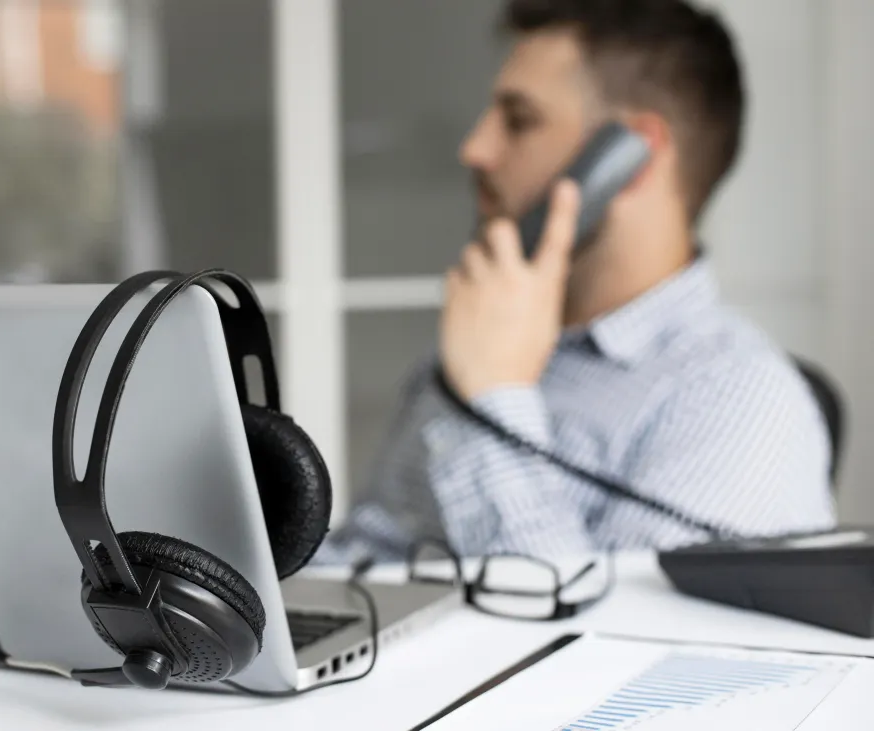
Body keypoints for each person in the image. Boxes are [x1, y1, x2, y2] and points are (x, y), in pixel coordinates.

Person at [312, 0, 837, 564]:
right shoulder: (476, 346)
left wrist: (493, 397)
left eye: (519, 120)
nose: (475, 149)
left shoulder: (740, 400)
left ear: (630, 158)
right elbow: (367, 556)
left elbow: (609, 649)